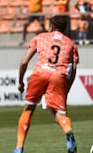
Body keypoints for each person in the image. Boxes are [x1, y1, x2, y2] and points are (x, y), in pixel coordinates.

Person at [13, 15, 79, 153]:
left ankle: (19, 147)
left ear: (51, 27)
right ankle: (68, 130)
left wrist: (20, 81)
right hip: (58, 76)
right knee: (59, 114)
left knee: (29, 108)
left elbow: (24, 62)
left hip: (40, 72)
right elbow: (72, 70)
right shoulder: (71, 44)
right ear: (65, 28)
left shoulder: (40, 37)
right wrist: (66, 88)